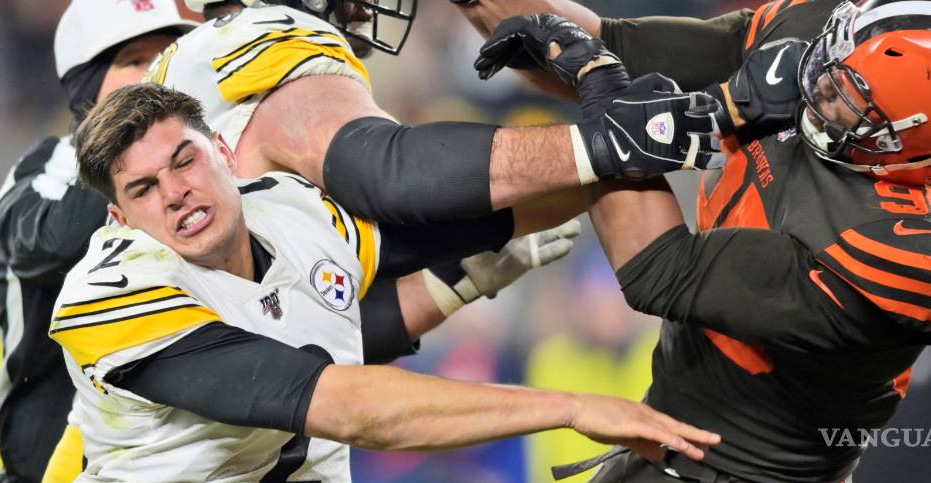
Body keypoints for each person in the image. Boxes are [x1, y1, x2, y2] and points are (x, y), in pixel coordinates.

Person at [476, 0, 931, 482]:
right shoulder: (830, 37)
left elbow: (658, 269)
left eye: (850, 95)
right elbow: (620, 43)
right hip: (661, 433)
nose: (817, 81)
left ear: (919, 148)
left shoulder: (908, 253)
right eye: (835, 53)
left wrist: (609, 92)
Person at [153, 0, 743, 318]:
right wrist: (601, 146)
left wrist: (575, 180)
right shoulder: (260, 36)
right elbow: (386, 171)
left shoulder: (203, 70)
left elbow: (321, 306)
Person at [52, 83, 720, 482]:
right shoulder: (113, 297)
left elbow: (474, 219)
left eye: (185, 160)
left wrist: (624, 152)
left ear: (224, 152)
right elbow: (346, 406)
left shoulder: (289, 212)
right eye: (144, 188)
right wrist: (571, 407)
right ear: (121, 219)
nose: (175, 192)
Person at [0, 0, 195, 483]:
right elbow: (52, 243)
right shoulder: (45, 169)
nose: (158, 74)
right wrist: (122, 154)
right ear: (86, 85)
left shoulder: (203, 170)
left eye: (167, 54)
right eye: (134, 61)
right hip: (52, 468)